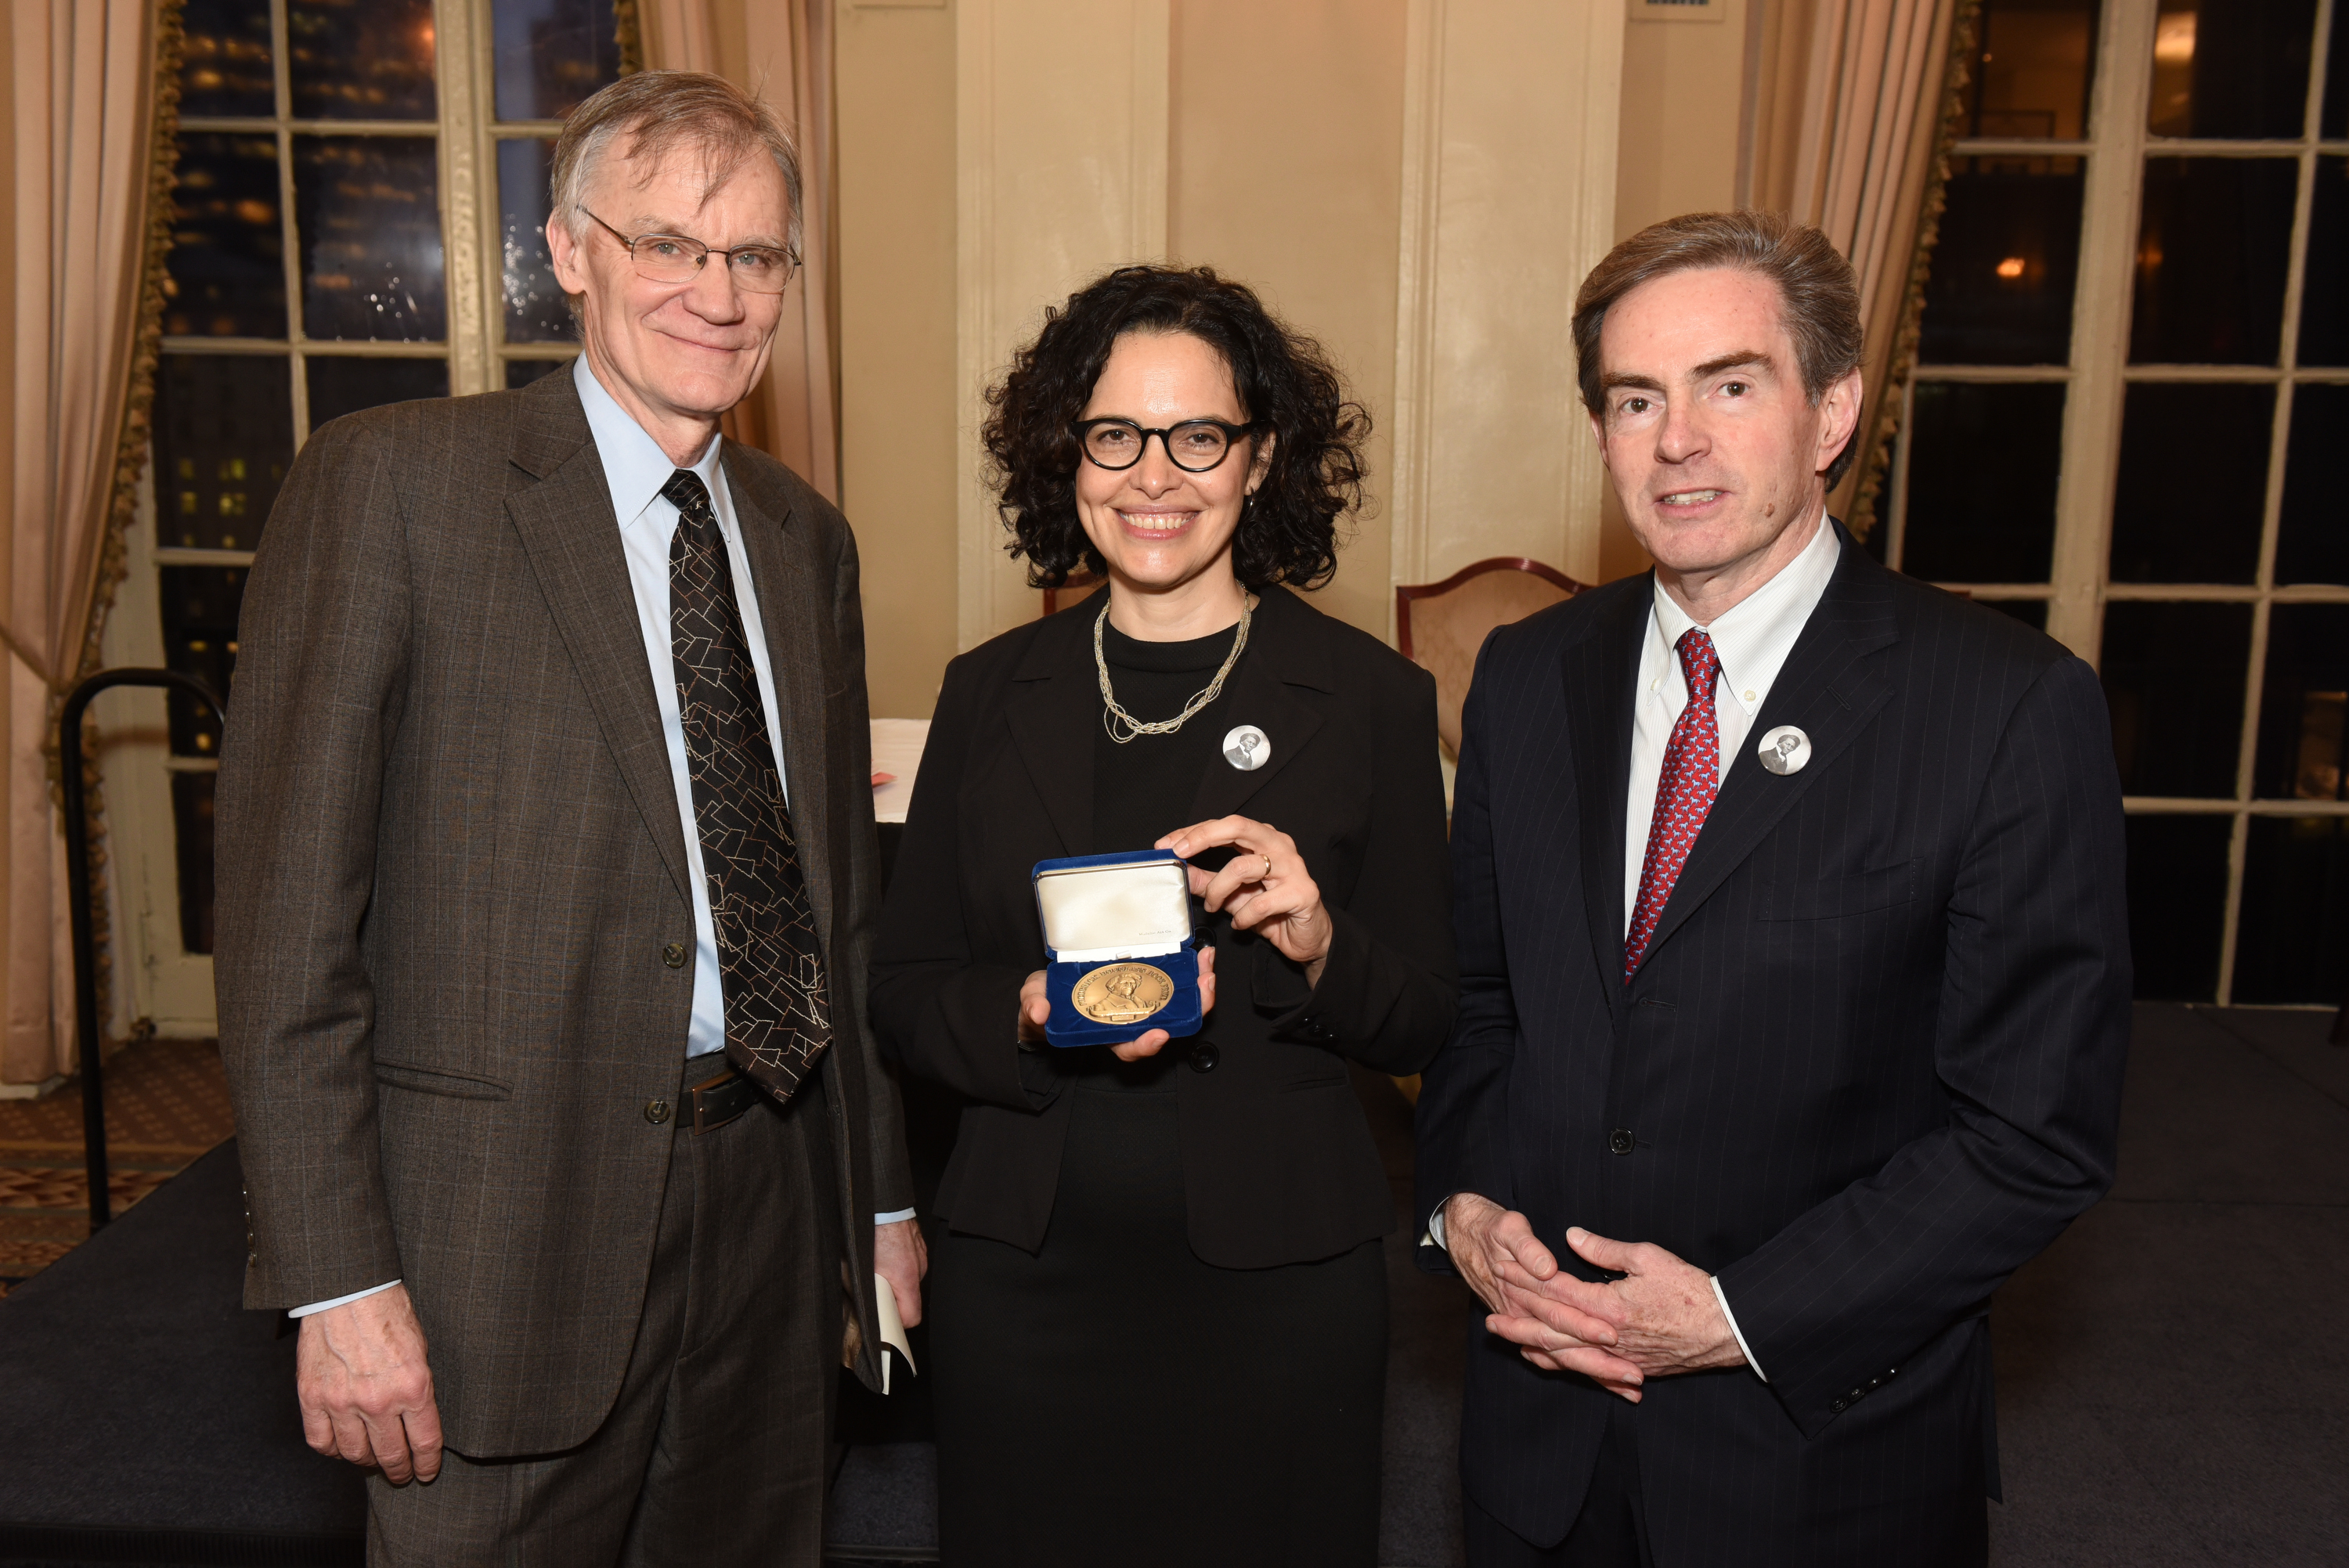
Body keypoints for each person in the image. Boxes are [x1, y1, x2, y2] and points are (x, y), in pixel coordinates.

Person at [214, 71, 922, 1564]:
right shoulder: (395, 487)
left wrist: (876, 1205)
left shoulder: (804, 540)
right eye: (669, 243)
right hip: (490, 1237)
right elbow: (286, 931)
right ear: (571, 252)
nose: (717, 295)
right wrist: (338, 1285)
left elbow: (835, 914)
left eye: (756, 256)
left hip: (771, 1203)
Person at [1413, 211, 2131, 1566]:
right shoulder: (1527, 677)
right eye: (1636, 398)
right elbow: (1483, 1005)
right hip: (1538, 1434)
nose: (1676, 438)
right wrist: (1464, 1207)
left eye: (1729, 384)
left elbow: (2033, 1134)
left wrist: (1737, 1317)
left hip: (1816, 1458)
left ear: (1832, 411)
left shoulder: (2003, 707)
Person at [869, 265, 1456, 1567]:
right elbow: (905, 984)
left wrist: (1320, 945)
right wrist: (1018, 1013)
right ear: (1065, 456)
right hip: (1026, 1280)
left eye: (1199, 436)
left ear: (1261, 462)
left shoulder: (1366, 699)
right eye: (1114, 434)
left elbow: (1429, 1004)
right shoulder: (987, 691)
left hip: (1277, 1288)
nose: (1155, 476)